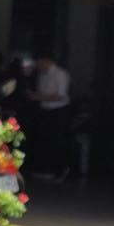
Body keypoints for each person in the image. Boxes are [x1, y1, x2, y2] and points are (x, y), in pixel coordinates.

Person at [30, 53, 71, 181]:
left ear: (45, 61)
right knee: (45, 140)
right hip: (45, 110)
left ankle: (60, 171)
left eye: (38, 63)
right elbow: (43, 93)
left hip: (59, 111)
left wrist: (38, 97)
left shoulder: (60, 74)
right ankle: (48, 170)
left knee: (57, 140)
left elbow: (61, 96)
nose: (36, 67)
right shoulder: (42, 75)